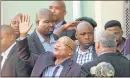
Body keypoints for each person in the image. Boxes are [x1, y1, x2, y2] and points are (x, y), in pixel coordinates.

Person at [17, 14, 84, 77]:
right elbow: (25, 55)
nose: (57, 45)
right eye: (57, 42)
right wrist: (23, 35)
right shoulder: (44, 57)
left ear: (70, 52)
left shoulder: (76, 69)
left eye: (62, 44)